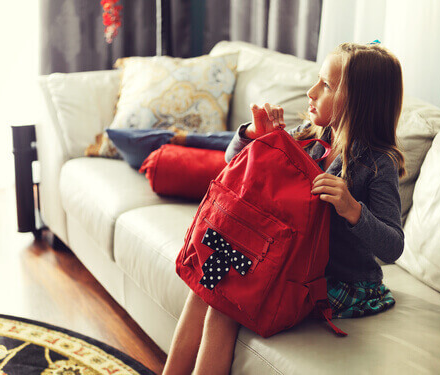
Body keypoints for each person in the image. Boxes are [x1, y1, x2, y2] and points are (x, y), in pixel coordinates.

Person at [162, 41, 406, 375]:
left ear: (360, 103)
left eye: (326, 86)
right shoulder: (305, 136)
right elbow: (234, 162)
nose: (311, 91)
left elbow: (393, 245)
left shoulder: (378, 164)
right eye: (317, 81)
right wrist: (255, 137)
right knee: (207, 282)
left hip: (338, 281)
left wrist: (353, 209)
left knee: (225, 302)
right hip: (290, 260)